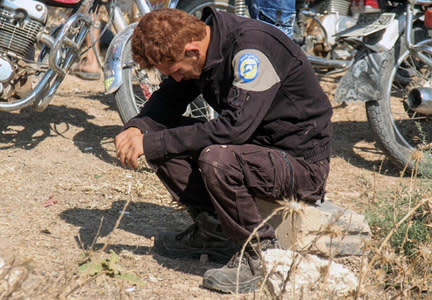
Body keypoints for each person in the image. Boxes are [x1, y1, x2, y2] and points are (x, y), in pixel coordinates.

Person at [114, 7, 332, 293]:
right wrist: (137, 128)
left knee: (215, 158)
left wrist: (151, 143)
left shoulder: (252, 50)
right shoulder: (204, 47)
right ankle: (214, 230)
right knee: (157, 134)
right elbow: (169, 98)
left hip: (299, 163)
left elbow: (233, 129)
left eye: (177, 72)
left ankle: (260, 253)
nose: (178, 78)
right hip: (251, 151)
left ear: (192, 51)